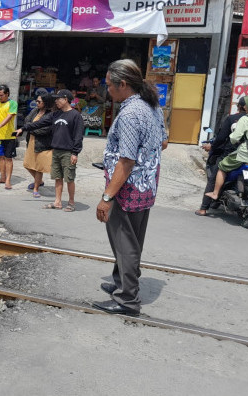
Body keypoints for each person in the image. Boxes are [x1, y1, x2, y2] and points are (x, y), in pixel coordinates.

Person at [93, 59, 167, 316]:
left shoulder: (130, 113)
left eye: (109, 85)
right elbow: (163, 143)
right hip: (145, 186)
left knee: (125, 244)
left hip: (126, 190)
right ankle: (119, 281)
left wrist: (107, 197)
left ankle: (127, 300)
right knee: (131, 241)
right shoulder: (152, 107)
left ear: (123, 84)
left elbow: (126, 160)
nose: (107, 90)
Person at [19, 89, 84, 211]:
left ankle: (71, 203)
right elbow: (39, 123)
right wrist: (23, 129)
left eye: (58, 99)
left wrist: (75, 152)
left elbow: (78, 136)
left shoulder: (76, 116)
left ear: (65, 99)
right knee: (57, 177)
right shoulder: (55, 114)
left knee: (69, 178)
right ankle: (57, 202)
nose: (56, 101)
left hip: (68, 152)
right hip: (56, 151)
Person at [196, 97, 247, 216]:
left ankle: (203, 208)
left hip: (231, 153)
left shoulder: (233, 119)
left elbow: (221, 138)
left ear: (239, 106)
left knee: (215, 176)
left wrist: (212, 146)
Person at [205, 95, 248, 202]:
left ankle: (215, 193)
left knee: (222, 166)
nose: (245, 107)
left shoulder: (245, 119)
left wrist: (233, 136)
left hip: (245, 154)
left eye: (247, 104)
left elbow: (234, 138)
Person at [15, 92, 55, 198]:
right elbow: (27, 121)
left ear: (45, 103)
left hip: (42, 144)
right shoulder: (35, 111)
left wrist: (31, 130)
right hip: (31, 141)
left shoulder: (50, 115)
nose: (36, 103)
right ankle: (39, 181)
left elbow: (45, 130)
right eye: (36, 101)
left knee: (38, 168)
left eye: (39, 101)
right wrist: (30, 128)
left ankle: (36, 188)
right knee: (27, 164)